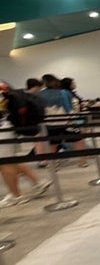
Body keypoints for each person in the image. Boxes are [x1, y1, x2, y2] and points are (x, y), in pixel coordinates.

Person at [0, 80, 52, 208]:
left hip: (3, 127)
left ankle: (16, 196)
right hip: (7, 125)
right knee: (10, 160)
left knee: (5, 162)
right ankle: (38, 182)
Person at [37, 74, 88, 167]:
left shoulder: (39, 95)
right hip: (67, 121)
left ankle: (53, 164)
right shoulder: (64, 92)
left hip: (49, 123)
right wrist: (78, 122)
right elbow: (74, 107)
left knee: (53, 144)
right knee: (78, 141)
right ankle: (82, 161)